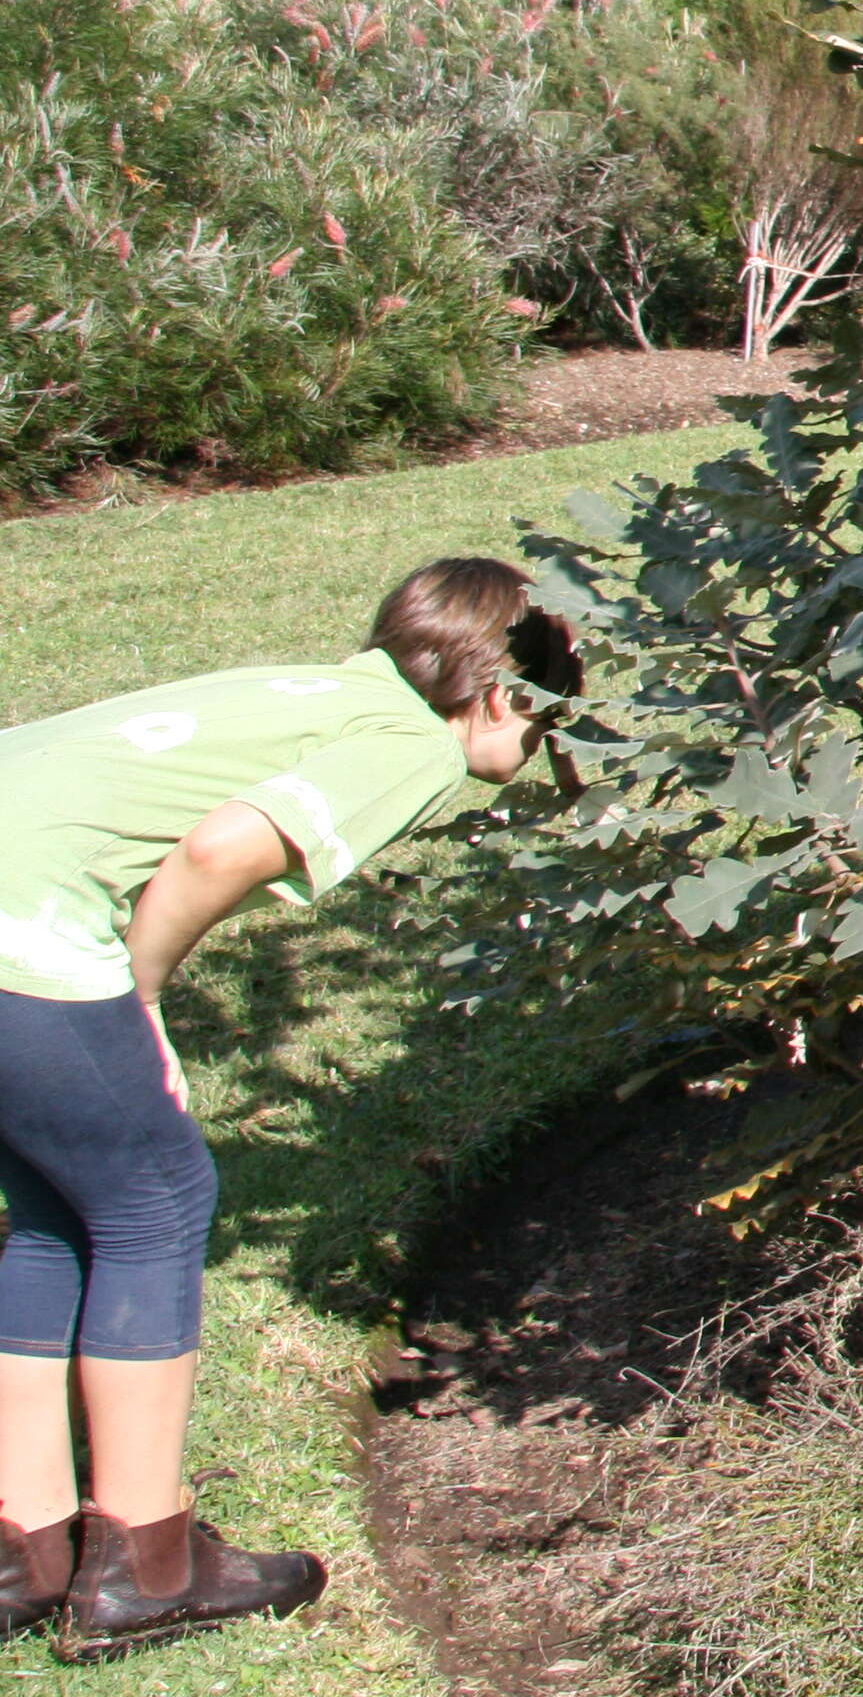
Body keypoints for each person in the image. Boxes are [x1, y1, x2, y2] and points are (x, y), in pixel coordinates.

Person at [0, 558, 577, 1657]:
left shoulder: (322, 689)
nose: (540, 750)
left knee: (57, 1208)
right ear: (506, 694)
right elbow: (220, 849)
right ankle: (144, 1567)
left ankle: (23, 1549)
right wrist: (145, 986)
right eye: (549, 721)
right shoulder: (414, 745)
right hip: (20, 916)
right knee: (156, 1199)